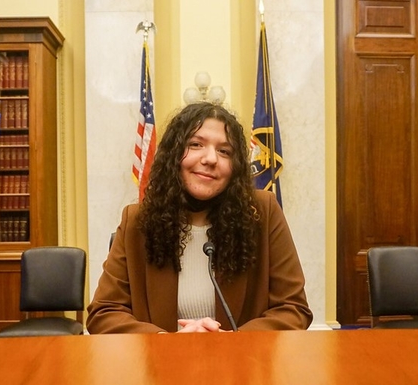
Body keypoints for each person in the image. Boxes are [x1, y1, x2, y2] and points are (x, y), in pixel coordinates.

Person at [86, 102, 312, 333]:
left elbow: (293, 309)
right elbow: (105, 313)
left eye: (225, 151)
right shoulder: (137, 221)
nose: (211, 158)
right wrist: (164, 340)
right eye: (196, 145)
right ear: (173, 155)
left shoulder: (262, 213)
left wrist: (233, 343)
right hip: (159, 364)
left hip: (244, 364)